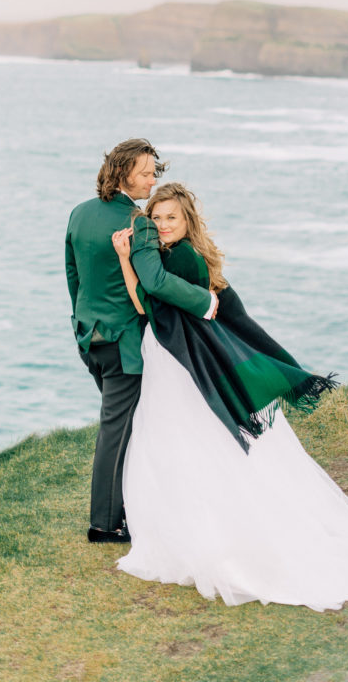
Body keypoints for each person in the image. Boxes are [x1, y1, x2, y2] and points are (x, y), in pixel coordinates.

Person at [111, 182, 348, 612]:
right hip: (165, 354)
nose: (162, 224)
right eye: (156, 217)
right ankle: (187, 535)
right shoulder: (162, 256)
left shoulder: (184, 257)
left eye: (171, 217)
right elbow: (142, 305)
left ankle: (214, 538)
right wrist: (124, 258)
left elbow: (156, 296)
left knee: (190, 442)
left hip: (181, 362)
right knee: (169, 442)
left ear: (188, 221)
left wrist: (137, 259)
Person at [65, 140, 218, 544]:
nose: (153, 180)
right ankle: (105, 524)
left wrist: (82, 323)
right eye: (147, 172)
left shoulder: (79, 214)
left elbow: (74, 278)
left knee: (128, 424)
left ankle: (130, 506)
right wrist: (206, 300)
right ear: (123, 173)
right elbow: (155, 281)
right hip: (124, 345)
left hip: (89, 339)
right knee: (116, 429)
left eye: (154, 172)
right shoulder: (139, 222)